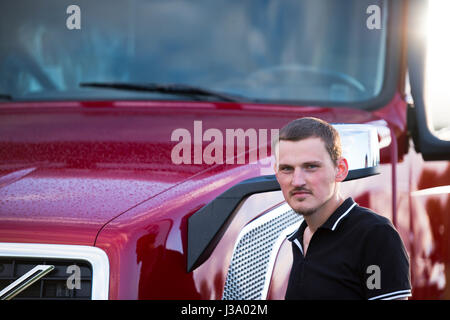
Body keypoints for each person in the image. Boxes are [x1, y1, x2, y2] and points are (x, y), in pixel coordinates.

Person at [273, 117, 411, 300]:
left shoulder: (374, 235)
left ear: (340, 169)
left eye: (311, 166)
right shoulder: (300, 238)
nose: (297, 181)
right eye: (287, 169)